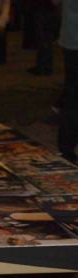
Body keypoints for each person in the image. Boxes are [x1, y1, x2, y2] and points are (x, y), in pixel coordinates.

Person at [58, 0, 78, 164]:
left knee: (72, 94)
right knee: (73, 97)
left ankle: (67, 145)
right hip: (74, 41)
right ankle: (67, 146)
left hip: (70, 40)